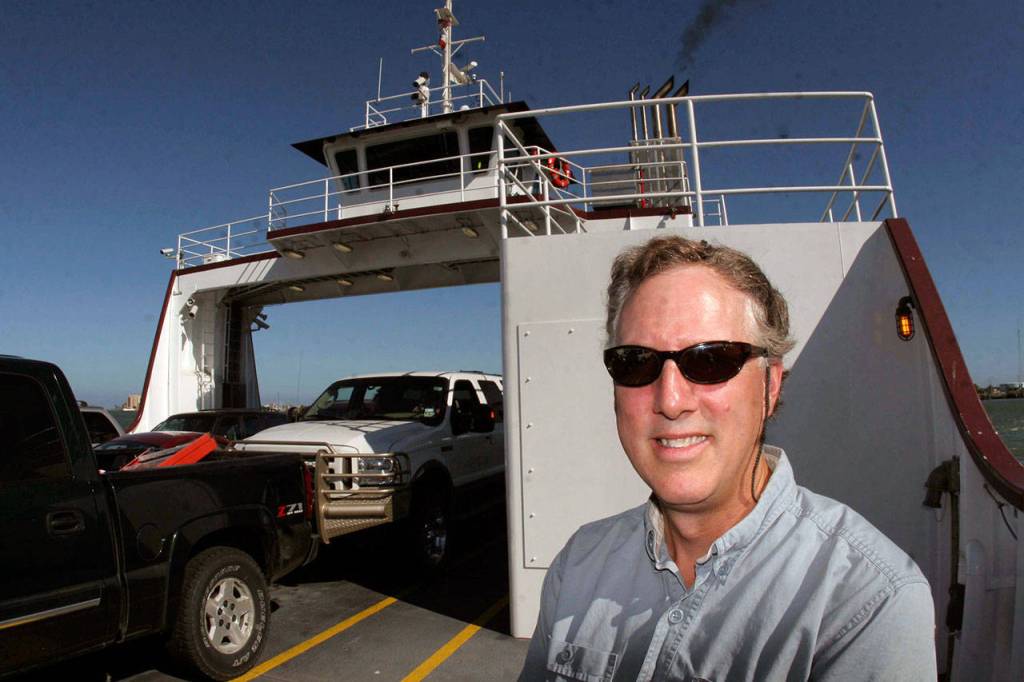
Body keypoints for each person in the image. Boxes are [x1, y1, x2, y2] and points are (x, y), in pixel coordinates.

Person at [520, 236, 936, 681]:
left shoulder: (866, 601)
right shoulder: (579, 564)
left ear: (770, 387)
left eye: (712, 359)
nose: (671, 400)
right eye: (636, 362)